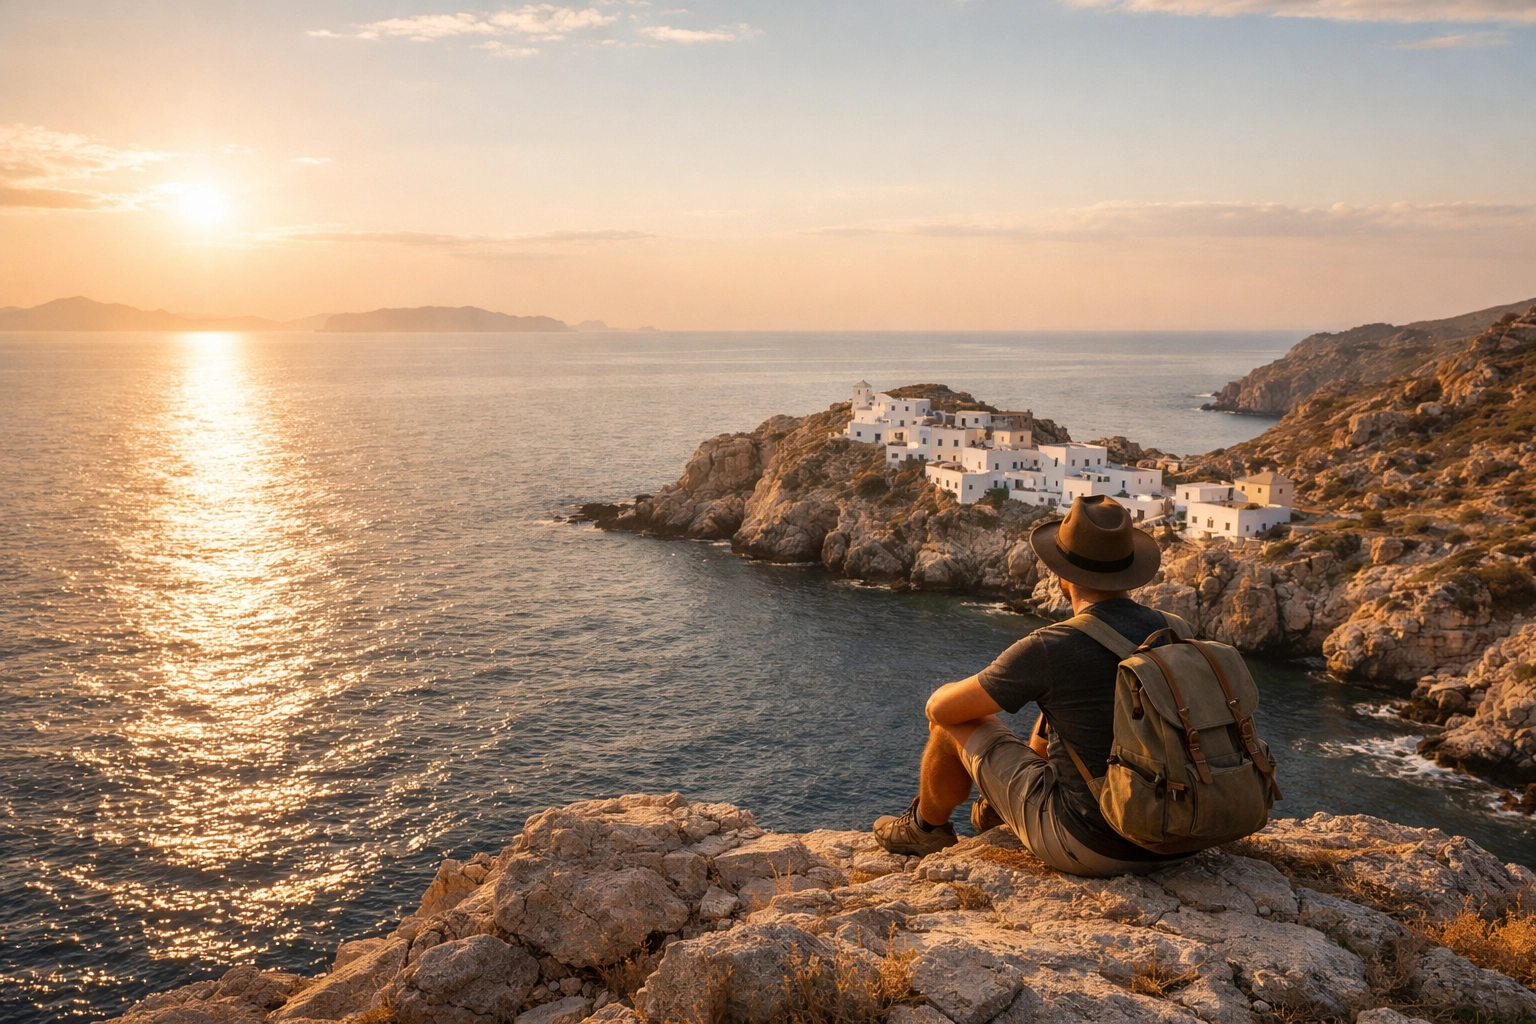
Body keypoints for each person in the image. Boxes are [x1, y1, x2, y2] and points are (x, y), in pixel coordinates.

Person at [872, 494, 1189, 877]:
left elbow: (943, 710)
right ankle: (995, 812)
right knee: (1058, 708)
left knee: (949, 727)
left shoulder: (1052, 646)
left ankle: (924, 829)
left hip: (1095, 845)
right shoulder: (1177, 630)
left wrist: (938, 694)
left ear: (1063, 577)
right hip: (1184, 834)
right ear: (1131, 572)